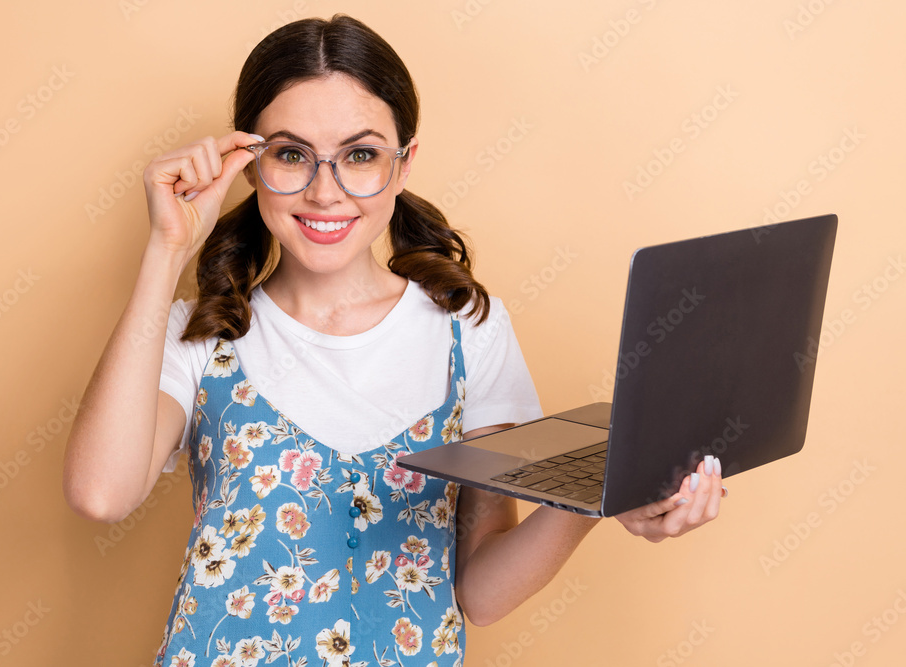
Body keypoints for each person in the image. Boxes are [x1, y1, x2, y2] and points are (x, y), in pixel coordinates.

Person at [62, 14, 723, 667]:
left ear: (403, 164)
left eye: (360, 155)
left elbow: (482, 592)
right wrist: (167, 247)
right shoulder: (200, 332)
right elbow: (100, 492)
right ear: (249, 165)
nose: (326, 192)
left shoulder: (470, 331)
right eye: (291, 154)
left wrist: (601, 489)